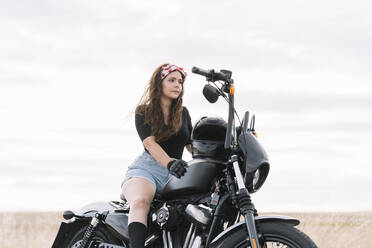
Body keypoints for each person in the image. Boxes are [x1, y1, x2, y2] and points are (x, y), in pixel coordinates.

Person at [121, 63, 192, 248]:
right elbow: (149, 143)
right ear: (159, 84)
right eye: (172, 80)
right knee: (141, 202)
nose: (178, 85)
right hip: (148, 170)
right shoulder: (143, 111)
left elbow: (192, 146)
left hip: (175, 175)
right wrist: (169, 163)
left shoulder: (183, 113)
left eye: (180, 82)